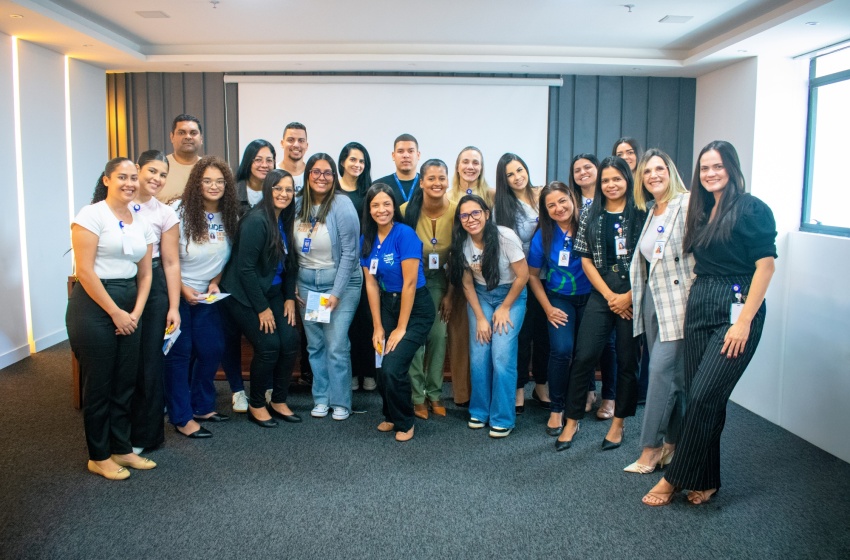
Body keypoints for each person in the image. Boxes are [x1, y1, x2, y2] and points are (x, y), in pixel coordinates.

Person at [643, 140, 777, 506]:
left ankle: (673, 478)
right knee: (706, 398)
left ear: (731, 168)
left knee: (702, 395)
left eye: (717, 166)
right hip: (700, 302)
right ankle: (707, 477)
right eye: (704, 168)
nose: (710, 173)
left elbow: (766, 267)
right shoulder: (700, 210)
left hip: (737, 306)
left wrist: (743, 322)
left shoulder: (752, 209)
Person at [67, 157, 156, 480]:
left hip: (130, 306)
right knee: (99, 384)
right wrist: (116, 313)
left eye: (134, 177)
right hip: (94, 307)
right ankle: (99, 455)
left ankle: (122, 448)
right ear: (107, 179)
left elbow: (145, 275)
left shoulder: (139, 220)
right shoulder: (91, 215)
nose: (130, 183)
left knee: (124, 382)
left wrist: (134, 312)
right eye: (122, 177)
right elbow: (85, 271)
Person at [557, 156, 646, 452]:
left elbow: (651, 261)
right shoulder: (590, 214)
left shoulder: (642, 213)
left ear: (627, 180)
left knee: (626, 359)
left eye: (616, 179)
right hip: (602, 292)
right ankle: (571, 421)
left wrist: (628, 297)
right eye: (606, 180)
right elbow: (585, 259)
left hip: (634, 293)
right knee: (583, 357)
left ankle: (618, 423)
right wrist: (610, 296)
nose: (610, 185)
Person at [624, 149, 694, 474]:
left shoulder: (687, 203)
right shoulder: (653, 210)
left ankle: (650, 448)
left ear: (670, 171)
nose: (653, 175)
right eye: (647, 171)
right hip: (652, 299)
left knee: (661, 373)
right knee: (673, 377)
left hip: (679, 301)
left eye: (659, 169)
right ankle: (672, 444)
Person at [163, 156, 238, 439]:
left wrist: (215, 282)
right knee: (180, 354)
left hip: (207, 295)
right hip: (176, 291)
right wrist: (182, 289)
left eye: (220, 181)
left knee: (212, 349)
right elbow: (168, 259)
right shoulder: (177, 211)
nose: (213, 186)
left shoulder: (229, 213)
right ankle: (182, 417)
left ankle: (202, 406)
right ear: (196, 182)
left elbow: (224, 256)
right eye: (207, 180)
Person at [221, 169, 301, 429]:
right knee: (268, 345)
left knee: (290, 340)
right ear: (268, 190)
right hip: (245, 295)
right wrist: (262, 309)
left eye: (289, 189)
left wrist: (289, 297)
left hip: (273, 290)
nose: (284, 194)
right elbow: (245, 270)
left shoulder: (285, 218)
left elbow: (291, 262)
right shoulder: (256, 221)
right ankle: (256, 404)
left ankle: (278, 400)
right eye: (278, 188)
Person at [361, 184, 435, 442]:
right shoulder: (367, 238)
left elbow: (410, 284)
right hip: (387, 305)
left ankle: (405, 421)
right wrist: (378, 326)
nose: (381, 210)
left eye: (386, 204)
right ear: (368, 209)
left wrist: (401, 327)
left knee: (393, 366)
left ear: (394, 206)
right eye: (375, 205)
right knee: (381, 365)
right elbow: (370, 283)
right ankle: (391, 415)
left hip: (415, 308)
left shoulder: (405, 234)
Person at [450, 194, 529, 438]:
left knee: (502, 354)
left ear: (486, 213)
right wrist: (481, 318)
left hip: (511, 294)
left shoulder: (505, 237)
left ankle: (503, 417)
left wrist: (504, 308)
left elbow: (523, 276)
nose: (470, 219)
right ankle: (480, 411)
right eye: (464, 215)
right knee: (479, 351)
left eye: (475, 213)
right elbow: (467, 284)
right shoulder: (462, 242)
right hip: (481, 296)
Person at [295, 153, 361, 421]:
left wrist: (335, 293)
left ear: (334, 177)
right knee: (316, 346)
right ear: (308, 174)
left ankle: (341, 401)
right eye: (316, 172)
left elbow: (350, 253)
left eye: (327, 173)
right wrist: (294, 284)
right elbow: (288, 250)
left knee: (335, 344)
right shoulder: (298, 204)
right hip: (308, 284)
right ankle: (321, 398)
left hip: (340, 283)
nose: (321, 177)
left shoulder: (342, 205)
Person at [526, 182, 592, 436]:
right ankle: (556, 409)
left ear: (573, 199)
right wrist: (548, 309)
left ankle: (579, 400)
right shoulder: (543, 234)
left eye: (562, 201)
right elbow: (532, 276)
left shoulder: (588, 226)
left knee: (584, 352)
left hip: (590, 298)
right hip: (559, 298)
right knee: (562, 350)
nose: (558, 208)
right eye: (551, 205)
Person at [128, 151, 181, 455]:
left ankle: (146, 436)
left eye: (163, 174)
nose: (157, 179)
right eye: (152, 171)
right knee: (124, 362)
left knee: (149, 362)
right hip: (122, 282)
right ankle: (118, 433)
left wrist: (173, 306)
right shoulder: (110, 207)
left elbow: (172, 262)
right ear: (137, 169)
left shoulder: (165, 213)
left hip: (157, 285)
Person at [493, 153, 549, 413]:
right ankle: (518, 388)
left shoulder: (542, 195)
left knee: (544, 333)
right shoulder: (502, 206)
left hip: (550, 274)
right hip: (521, 277)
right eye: (510, 175)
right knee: (522, 335)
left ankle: (541, 385)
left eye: (519, 170)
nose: (517, 177)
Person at [400, 159, 456, 419]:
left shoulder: (457, 212)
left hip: (439, 283)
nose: (437, 183)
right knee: (414, 339)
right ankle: (417, 395)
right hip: (409, 283)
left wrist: (450, 294)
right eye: (431, 178)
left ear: (448, 181)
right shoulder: (404, 211)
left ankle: (434, 393)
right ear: (421, 182)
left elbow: (459, 258)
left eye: (441, 178)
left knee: (438, 336)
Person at [569, 153, 617, 417]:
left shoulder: (609, 198)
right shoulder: (571, 201)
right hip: (578, 280)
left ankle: (610, 396)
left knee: (608, 344)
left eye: (588, 167)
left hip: (605, 284)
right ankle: (588, 391)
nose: (583, 173)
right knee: (582, 341)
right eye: (577, 170)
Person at [446, 146, 492, 407]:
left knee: (482, 337)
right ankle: (462, 394)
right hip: (458, 272)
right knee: (459, 334)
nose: (470, 166)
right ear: (457, 165)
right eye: (465, 161)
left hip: (486, 277)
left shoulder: (492, 195)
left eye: (476, 162)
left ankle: (483, 393)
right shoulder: (449, 196)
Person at [337, 141, 377, 392]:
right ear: (342, 161)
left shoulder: (369, 191)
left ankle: (369, 371)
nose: (357, 165)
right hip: (339, 264)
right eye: (353, 159)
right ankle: (351, 372)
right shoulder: (333, 190)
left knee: (367, 318)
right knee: (345, 321)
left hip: (366, 262)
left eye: (362, 161)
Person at [159, 114, 203, 202]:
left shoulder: (211, 169)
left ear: (201, 138)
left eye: (193, 133)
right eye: (181, 133)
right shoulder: (159, 167)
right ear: (172, 137)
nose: (188, 137)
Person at [372, 133, 421, 206]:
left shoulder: (428, 184)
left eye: (410, 151)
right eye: (400, 151)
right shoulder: (379, 185)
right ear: (393, 155)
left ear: (418, 155)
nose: (406, 155)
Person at [235, 139, 277, 218]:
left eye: (269, 160)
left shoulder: (277, 191)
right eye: (258, 160)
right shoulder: (234, 191)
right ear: (248, 161)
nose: (264, 165)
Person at [279, 122, 309, 192]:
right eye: (291, 140)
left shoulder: (312, 176)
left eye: (301, 141)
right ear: (282, 143)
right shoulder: (273, 172)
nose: (296, 145)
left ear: (306, 145)